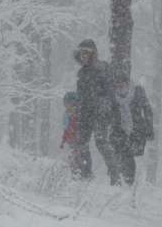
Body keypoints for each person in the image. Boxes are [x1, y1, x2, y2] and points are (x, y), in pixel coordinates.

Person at [73, 39, 118, 183]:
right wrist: (78, 110)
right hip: (85, 112)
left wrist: (103, 106)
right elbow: (80, 95)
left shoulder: (103, 69)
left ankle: (115, 175)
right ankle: (86, 174)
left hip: (100, 112)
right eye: (81, 53)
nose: (83, 56)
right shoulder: (81, 73)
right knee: (81, 142)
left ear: (93, 53)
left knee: (101, 142)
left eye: (86, 53)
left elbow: (110, 92)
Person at [109, 77, 154, 186]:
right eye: (117, 86)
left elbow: (147, 110)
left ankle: (130, 182)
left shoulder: (138, 92)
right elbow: (109, 114)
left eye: (122, 85)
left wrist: (149, 128)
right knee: (120, 153)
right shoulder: (112, 97)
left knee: (130, 154)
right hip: (118, 130)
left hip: (136, 129)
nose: (119, 88)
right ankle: (119, 180)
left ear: (128, 84)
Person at [60, 91, 83, 176]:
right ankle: (75, 173)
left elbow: (76, 126)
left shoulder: (77, 113)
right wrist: (63, 139)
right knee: (73, 156)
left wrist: (77, 134)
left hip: (76, 138)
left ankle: (79, 173)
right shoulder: (68, 113)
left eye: (68, 103)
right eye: (65, 103)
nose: (66, 105)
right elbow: (66, 128)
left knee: (77, 155)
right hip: (71, 138)